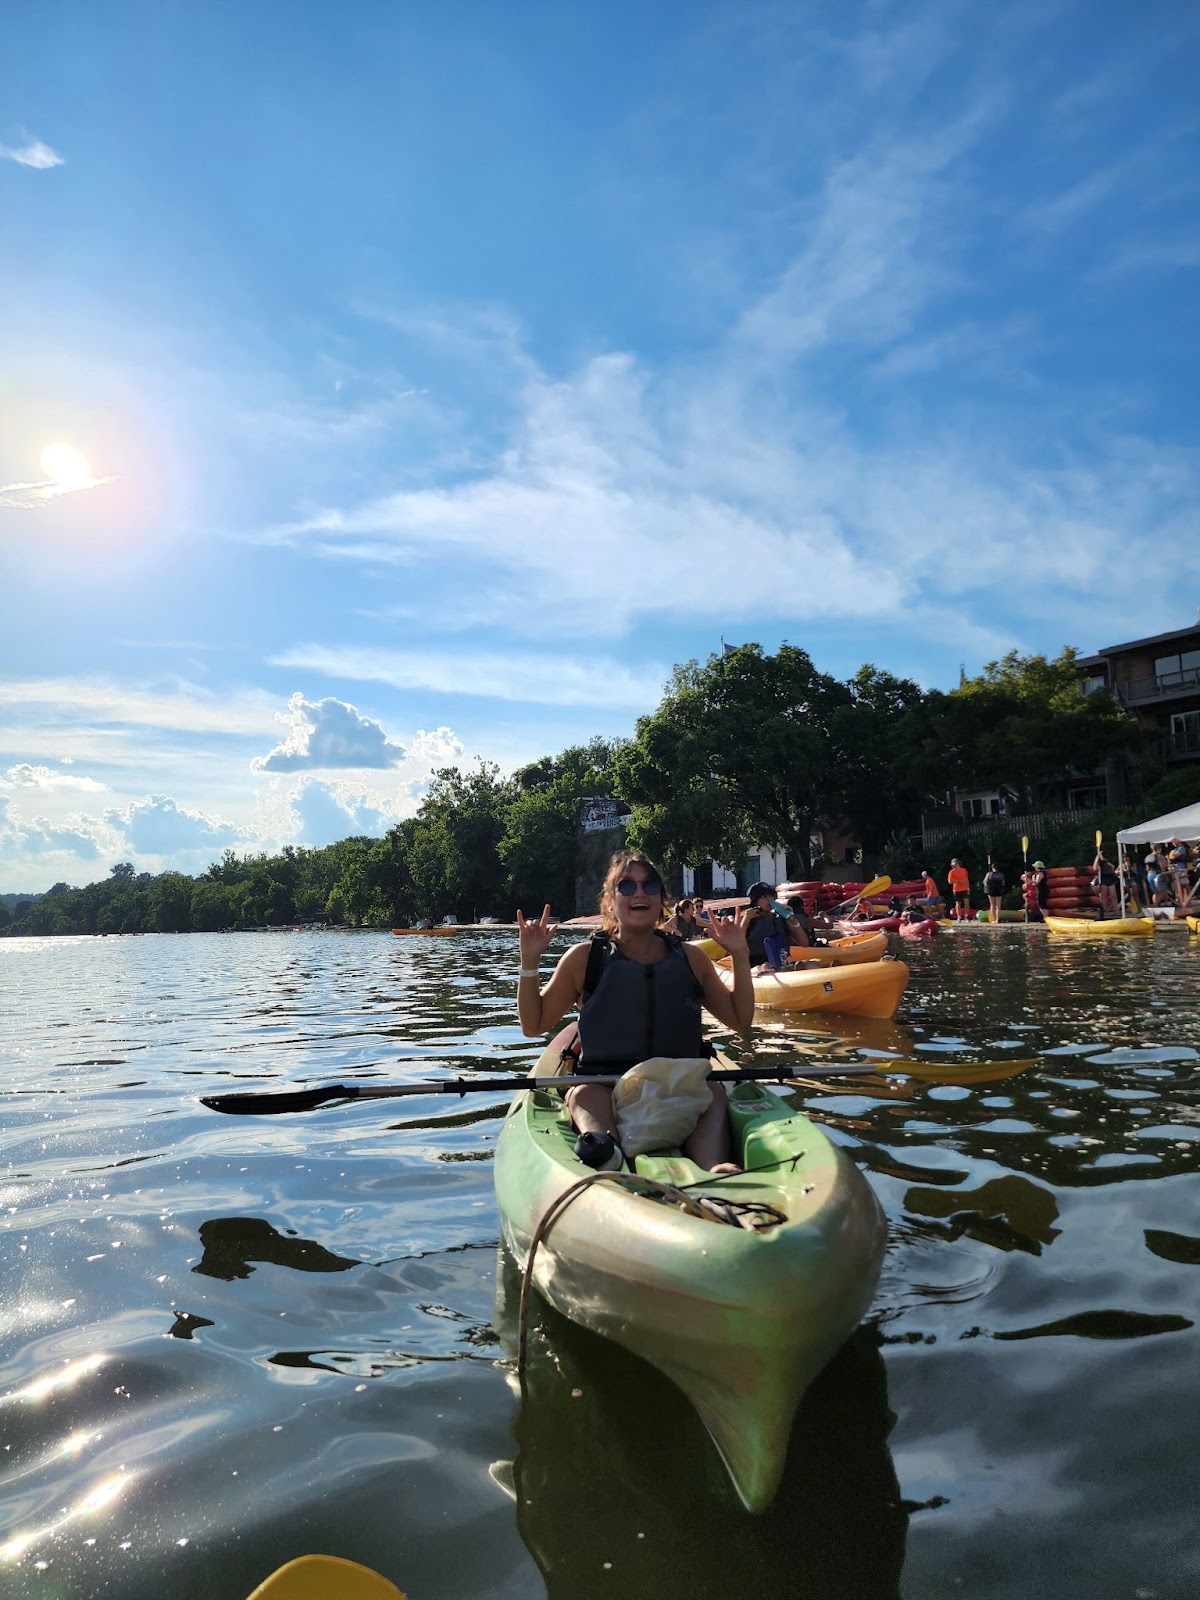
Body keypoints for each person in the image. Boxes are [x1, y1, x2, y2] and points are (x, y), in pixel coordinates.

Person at [516, 852, 753, 1174]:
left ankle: (712, 1166)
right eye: (626, 886)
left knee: (714, 1093)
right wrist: (529, 961)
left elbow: (740, 1022)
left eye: (649, 885)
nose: (639, 893)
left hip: (680, 1087)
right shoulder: (584, 959)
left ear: (661, 900)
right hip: (607, 1088)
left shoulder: (691, 959)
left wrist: (739, 954)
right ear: (610, 901)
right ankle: (609, 1155)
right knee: (584, 1094)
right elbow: (533, 1025)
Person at [744, 881, 798, 970]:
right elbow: (737, 945)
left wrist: (792, 919)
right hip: (756, 966)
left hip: (782, 963)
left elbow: (804, 943)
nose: (769, 899)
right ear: (755, 902)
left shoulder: (780, 918)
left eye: (771, 895)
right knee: (767, 967)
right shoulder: (749, 920)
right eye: (764, 897)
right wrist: (745, 920)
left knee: (809, 964)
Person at [1091, 850, 1119, 918]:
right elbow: (1095, 868)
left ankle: (1116, 911)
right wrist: (1097, 857)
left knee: (1113, 895)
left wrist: (1107, 862)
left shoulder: (1108, 861)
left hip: (1110, 878)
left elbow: (1112, 868)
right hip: (1103, 879)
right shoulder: (1100, 863)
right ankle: (1106, 912)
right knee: (1104, 896)